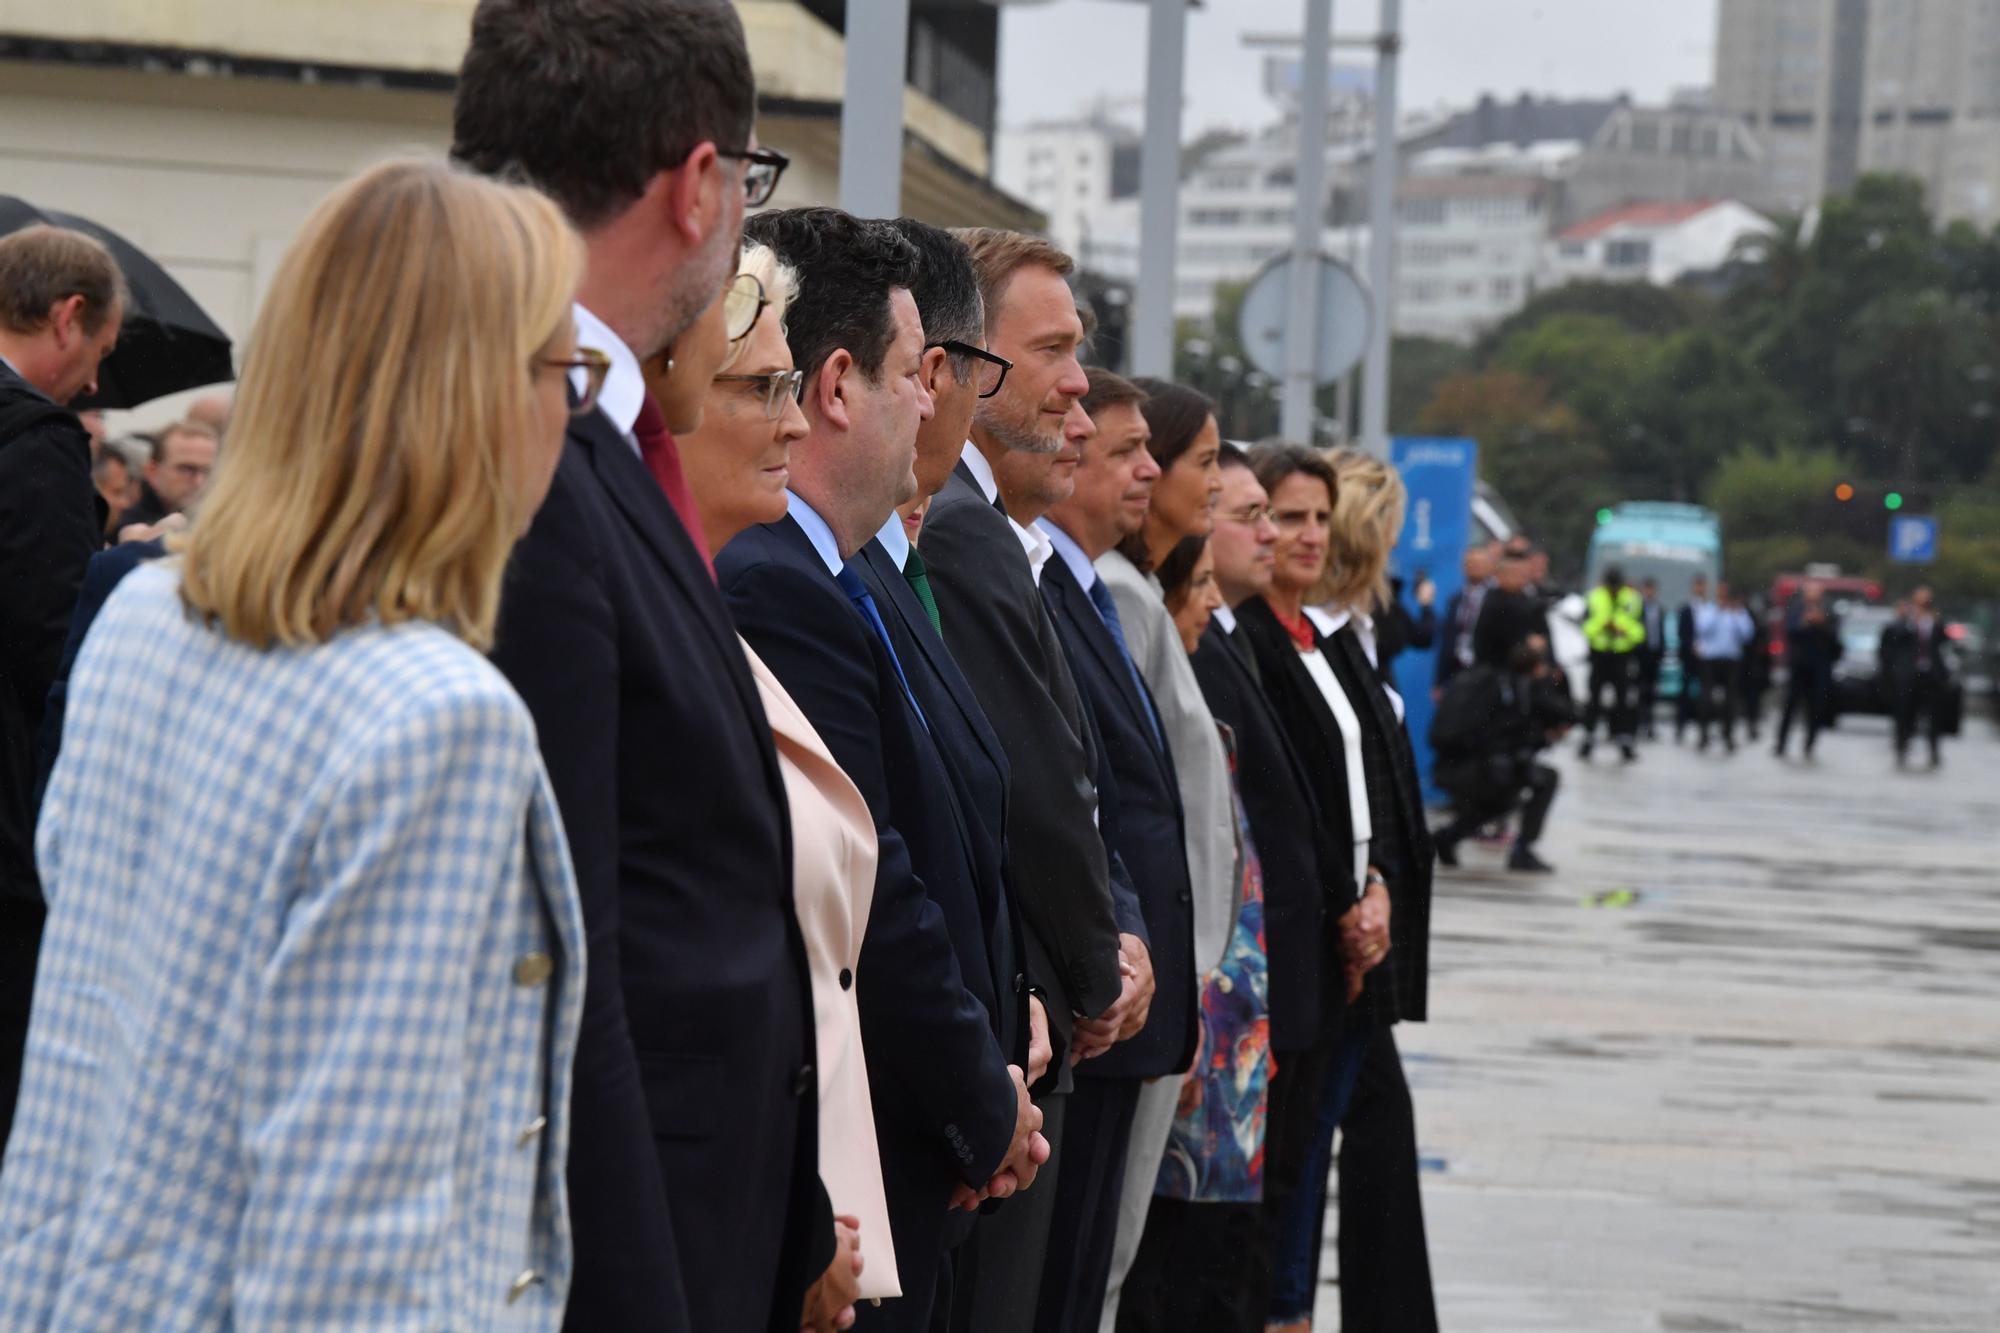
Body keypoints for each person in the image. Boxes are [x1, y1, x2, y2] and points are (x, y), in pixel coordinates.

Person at [0, 157, 589, 1326]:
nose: (570, 408)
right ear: (473, 391)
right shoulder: (433, 720)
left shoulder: (144, 628)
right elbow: (352, 1245)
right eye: (562, 368)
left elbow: (69, 1093)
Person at [453, 5, 836, 1330]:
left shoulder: (578, 435)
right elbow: (567, 966)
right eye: (749, 183)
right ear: (697, 188)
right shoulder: (535, 458)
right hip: (628, 1257)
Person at [722, 208, 1048, 1331]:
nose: (933, 398)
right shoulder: (776, 583)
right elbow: (870, 887)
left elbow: (956, 830)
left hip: (926, 1138)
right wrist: (975, 1098)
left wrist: (1007, 1035)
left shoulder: (851, 576)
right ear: (839, 384)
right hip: (866, 1159)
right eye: (918, 370)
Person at [916, 228, 1129, 1333]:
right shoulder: (960, 530)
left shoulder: (968, 524)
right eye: (1051, 348)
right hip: (1007, 1025)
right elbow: (1035, 797)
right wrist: (1095, 976)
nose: (1076, 382)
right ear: (967, 358)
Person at [1044, 372, 1226, 1333]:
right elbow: (1082, 802)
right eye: (1128, 451)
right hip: (1099, 995)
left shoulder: (1103, 592)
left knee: (1094, 1266)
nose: (1150, 473)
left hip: (1137, 985)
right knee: (1077, 1266)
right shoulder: (1080, 587)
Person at [1181, 445, 1345, 1332]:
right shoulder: (1205, 637)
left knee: (1269, 1209)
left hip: (1283, 984)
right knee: (1223, 1238)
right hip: (1237, 993)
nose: (1280, 535)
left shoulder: (1237, 634)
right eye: (1255, 513)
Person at [1227, 445, 1389, 1333]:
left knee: (1300, 1170)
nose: (1305, 535)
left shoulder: (1316, 637)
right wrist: (1346, 901)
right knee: (1273, 1184)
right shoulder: (1248, 638)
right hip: (1295, 950)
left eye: (1320, 518)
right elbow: (1285, 807)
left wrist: (1378, 887)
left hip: (1340, 942)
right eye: (1287, 516)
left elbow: (1362, 788)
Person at [1114, 531, 1274, 1332]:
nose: (1212, 601)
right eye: (1199, 581)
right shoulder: (1128, 610)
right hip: (1169, 1006)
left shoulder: (1194, 654)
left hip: (1208, 1007)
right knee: (1144, 1262)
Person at [1301, 446, 1441, 1333]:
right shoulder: (1320, 641)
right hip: (1341, 948)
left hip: (1368, 941)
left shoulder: (1353, 635)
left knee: (1375, 1132)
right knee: (1349, 1138)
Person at [0, 222, 125, 1162]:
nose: (93, 386)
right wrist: (116, 578)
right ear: (68, 316)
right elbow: (56, 646)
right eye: (101, 358)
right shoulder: (34, 440)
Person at [1431, 635, 1575, 873]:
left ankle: (1447, 838)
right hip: (1484, 769)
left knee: (1499, 802)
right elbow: (1561, 716)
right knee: (1545, 780)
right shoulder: (1521, 690)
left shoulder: (1493, 683)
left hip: (1459, 766)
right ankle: (1523, 850)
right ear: (1537, 667)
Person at [1577, 565, 1645, 762]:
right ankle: (1588, 740)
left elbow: (1640, 630)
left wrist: (1622, 629)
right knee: (1593, 700)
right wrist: (1603, 625)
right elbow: (1586, 627)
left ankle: (1624, 741)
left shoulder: (1633, 598)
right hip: (1599, 655)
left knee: (1624, 701)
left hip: (1622, 656)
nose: (1613, 589)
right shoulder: (1594, 597)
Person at [1880, 586, 1953, 768]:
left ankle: (1934, 751)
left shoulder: (1935, 620)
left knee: (1933, 716)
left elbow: (1944, 643)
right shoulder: (1904, 620)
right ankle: (1902, 747)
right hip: (1908, 675)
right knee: (1905, 714)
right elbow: (1892, 641)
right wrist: (1910, 620)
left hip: (1931, 675)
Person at [1773, 582, 1840, 760]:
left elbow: (1835, 638)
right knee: (1790, 706)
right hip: (1799, 666)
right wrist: (1805, 622)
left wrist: (1820, 623)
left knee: (1815, 708)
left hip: (1819, 667)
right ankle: (1781, 743)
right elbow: (1789, 631)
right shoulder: (1796, 609)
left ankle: (1810, 744)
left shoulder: (1828, 612)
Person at [115, 420, 217, 530]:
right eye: (186, 470)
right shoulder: (124, 527)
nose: (199, 481)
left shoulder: (218, 522)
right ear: (152, 471)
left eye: (207, 471)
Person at [1694, 582, 1756, 753]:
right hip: (1710, 660)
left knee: (1730, 700)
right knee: (1706, 699)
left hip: (1731, 661)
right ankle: (1703, 735)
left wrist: (1735, 615)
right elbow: (1703, 629)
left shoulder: (1738, 611)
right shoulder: (1708, 610)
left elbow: (1747, 635)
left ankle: (1728, 735)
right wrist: (1718, 612)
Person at [1472, 545, 1548, 669]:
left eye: (1524, 573)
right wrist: (1531, 648)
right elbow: (1504, 645)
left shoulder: (1528, 599)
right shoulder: (1494, 603)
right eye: (1516, 573)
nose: (1522, 577)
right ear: (1500, 575)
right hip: (1497, 672)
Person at [1434, 543, 1495, 694]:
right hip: (1457, 671)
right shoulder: (1455, 600)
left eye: (1479, 564)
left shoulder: (1496, 599)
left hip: (1484, 672)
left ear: (1489, 567)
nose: (1475, 568)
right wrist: (1439, 681)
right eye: (1471, 563)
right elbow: (1447, 641)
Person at [1675, 575, 1709, 743]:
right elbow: (1682, 633)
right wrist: (1692, 646)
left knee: (1704, 693)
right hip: (1689, 656)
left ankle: (1703, 729)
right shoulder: (1685, 609)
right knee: (1685, 692)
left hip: (1706, 657)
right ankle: (1680, 727)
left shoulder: (1710, 608)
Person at [1635, 577, 1668, 739]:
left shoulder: (1659, 609)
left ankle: (1650, 725)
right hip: (1642, 655)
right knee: (1641, 690)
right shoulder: (1637, 609)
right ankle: (1641, 723)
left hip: (1654, 654)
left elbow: (1661, 633)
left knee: (1652, 691)